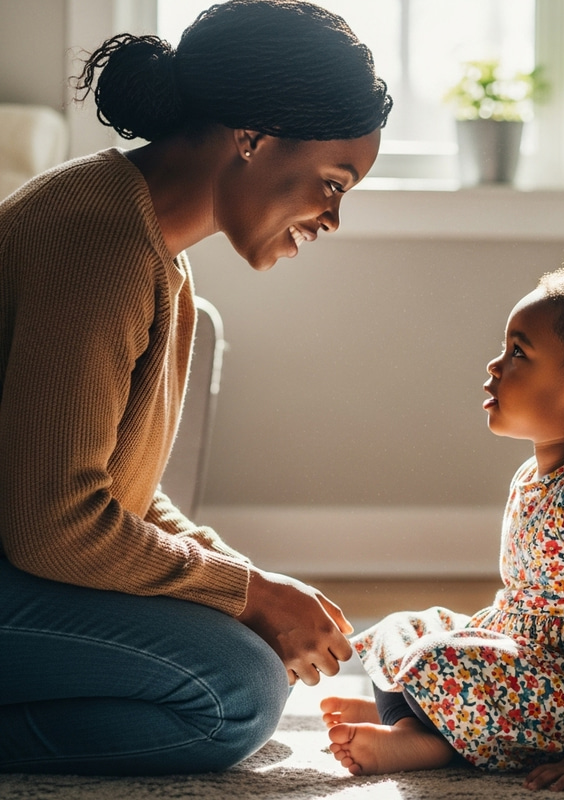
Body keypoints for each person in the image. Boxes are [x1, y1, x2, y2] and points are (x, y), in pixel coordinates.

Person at [0, 0, 391, 776]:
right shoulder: (98, 240)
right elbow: (51, 524)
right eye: (331, 182)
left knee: (247, 651)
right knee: (234, 690)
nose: (332, 218)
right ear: (254, 137)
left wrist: (251, 587)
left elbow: (120, 491)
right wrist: (250, 594)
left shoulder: (147, 244)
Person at [323, 267, 564, 792]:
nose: (495, 365)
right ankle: (415, 714)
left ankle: (429, 738)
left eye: (519, 353)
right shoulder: (535, 473)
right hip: (537, 659)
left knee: (439, 658)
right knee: (407, 628)